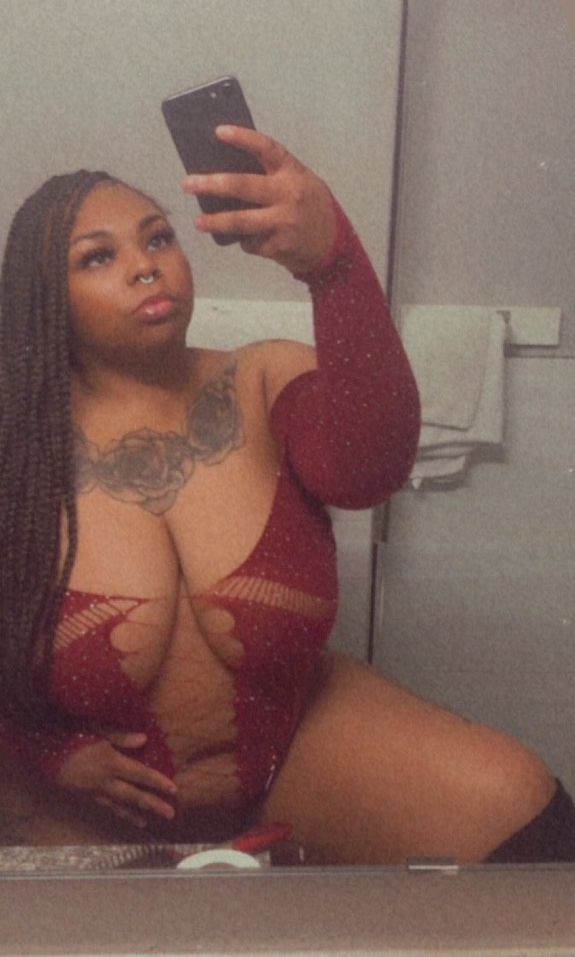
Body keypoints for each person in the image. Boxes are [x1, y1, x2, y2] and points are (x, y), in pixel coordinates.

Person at [0, 125, 573, 864]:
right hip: (75, 799)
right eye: (98, 257)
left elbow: (369, 471)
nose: (145, 267)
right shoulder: (17, 443)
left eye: (158, 238)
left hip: (292, 753)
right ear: (44, 299)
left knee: (529, 822)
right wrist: (43, 752)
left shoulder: (263, 377)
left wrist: (332, 262)